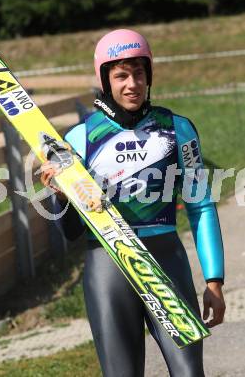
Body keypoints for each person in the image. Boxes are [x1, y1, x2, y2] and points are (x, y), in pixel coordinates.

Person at [41, 29, 225, 377]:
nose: (132, 84)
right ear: (105, 80)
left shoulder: (177, 130)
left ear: (149, 75)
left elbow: (201, 206)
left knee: (190, 374)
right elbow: (71, 232)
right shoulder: (78, 140)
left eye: (139, 73)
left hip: (166, 260)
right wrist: (61, 195)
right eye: (121, 75)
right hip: (107, 269)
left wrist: (214, 280)